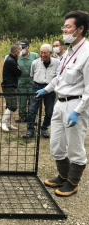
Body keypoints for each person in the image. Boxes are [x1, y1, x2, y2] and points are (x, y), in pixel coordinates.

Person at [37, 11, 89, 197]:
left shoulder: (87, 53)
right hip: (60, 102)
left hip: (75, 106)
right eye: (64, 27)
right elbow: (59, 78)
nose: (64, 30)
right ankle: (63, 175)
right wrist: (47, 89)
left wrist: (79, 111)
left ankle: (72, 183)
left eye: (68, 27)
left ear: (80, 29)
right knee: (57, 145)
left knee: (75, 148)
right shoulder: (68, 51)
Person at [23, 44, 60, 139]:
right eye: (41, 52)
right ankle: (30, 130)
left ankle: (44, 128)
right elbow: (32, 75)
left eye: (45, 53)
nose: (43, 55)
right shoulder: (35, 63)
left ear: (50, 53)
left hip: (50, 89)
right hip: (36, 86)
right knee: (32, 110)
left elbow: (58, 77)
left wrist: (49, 88)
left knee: (49, 111)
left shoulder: (57, 63)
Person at [0, 44, 22, 132]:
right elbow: (19, 73)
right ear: (16, 52)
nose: (21, 52)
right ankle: (3, 122)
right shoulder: (11, 61)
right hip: (9, 86)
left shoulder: (12, 59)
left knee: (10, 105)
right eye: (20, 51)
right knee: (12, 106)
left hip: (10, 85)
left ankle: (8, 124)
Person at [17, 41, 39, 122]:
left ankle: (32, 118)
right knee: (22, 101)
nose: (21, 49)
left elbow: (39, 66)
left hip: (32, 82)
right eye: (20, 48)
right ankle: (22, 117)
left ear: (28, 47)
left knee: (32, 101)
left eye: (23, 48)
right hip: (21, 82)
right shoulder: (18, 57)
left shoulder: (35, 56)